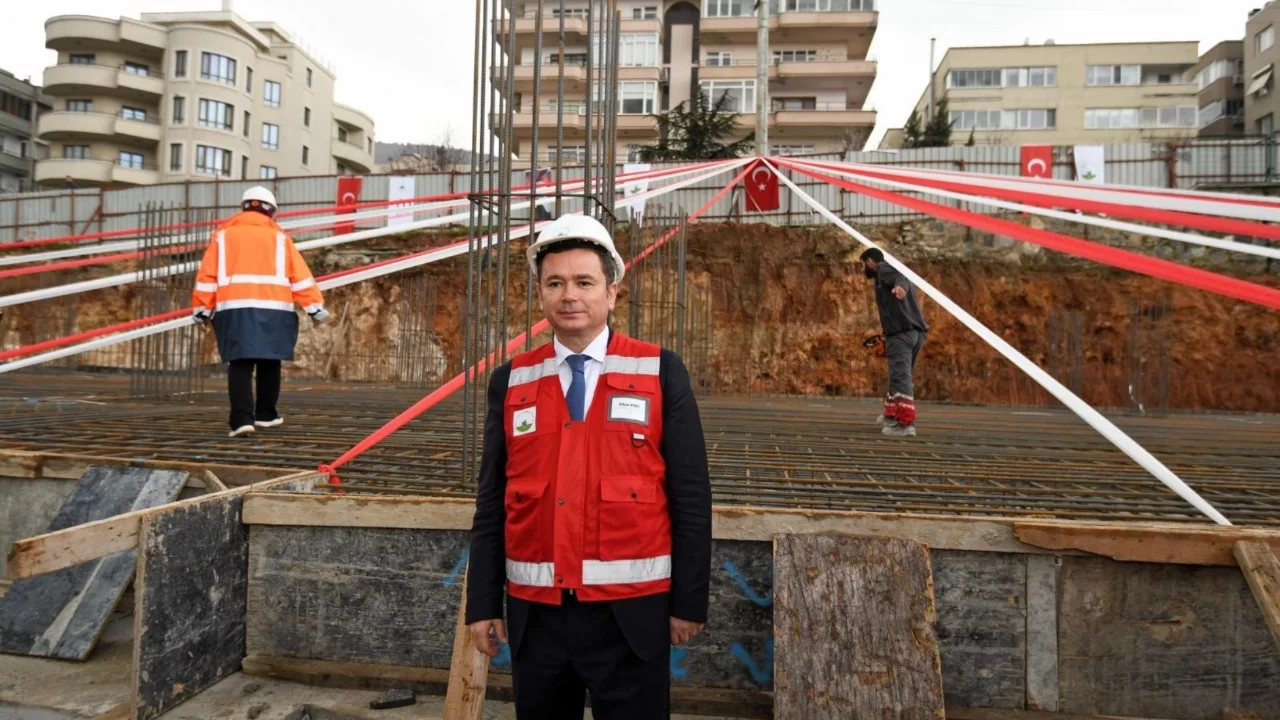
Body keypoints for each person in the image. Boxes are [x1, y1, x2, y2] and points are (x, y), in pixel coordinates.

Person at [465, 213, 712, 719]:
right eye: (555, 283)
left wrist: (689, 602)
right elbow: (492, 501)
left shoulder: (660, 371)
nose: (569, 295)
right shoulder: (511, 381)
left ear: (612, 292)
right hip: (539, 619)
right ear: (540, 294)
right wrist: (483, 602)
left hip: (632, 618)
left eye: (584, 282)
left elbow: (691, 494)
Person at [191, 186, 330, 438]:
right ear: (271, 210)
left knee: (241, 362)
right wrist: (314, 308)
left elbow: (208, 275)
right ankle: (266, 414)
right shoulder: (279, 237)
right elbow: (299, 275)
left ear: (244, 207)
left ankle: (242, 419)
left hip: (234, 307)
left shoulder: (222, 236)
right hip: (274, 307)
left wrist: (202, 309)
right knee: (270, 359)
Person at [860, 247, 928, 437]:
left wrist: (900, 288)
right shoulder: (888, 271)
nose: (862, 269)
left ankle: (905, 424)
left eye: (863, 265)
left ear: (871, 262)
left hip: (902, 334)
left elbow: (899, 278)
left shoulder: (884, 269)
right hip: (915, 333)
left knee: (900, 377)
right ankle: (891, 414)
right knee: (899, 375)